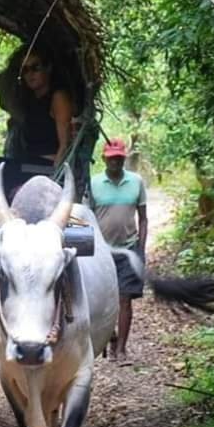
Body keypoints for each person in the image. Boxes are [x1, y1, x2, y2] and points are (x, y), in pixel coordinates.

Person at [89, 138, 148, 363]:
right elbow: (87, 218)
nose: (115, 162)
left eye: (119, 158)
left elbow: (143, 218)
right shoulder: (94, 183)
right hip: (101, 252)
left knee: (125, 299)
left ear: (124, 159)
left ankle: (121, 350)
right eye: (111, 158)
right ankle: (109, 336)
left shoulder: (136, 182)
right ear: (104, 158)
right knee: (102, 300)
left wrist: (140, 249)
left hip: (128, 249)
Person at [0, 44, 73, 165]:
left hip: (46, 166)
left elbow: (65, 144)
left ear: (48, 68)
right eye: (25, 70)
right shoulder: (29, 100)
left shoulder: (57, 97)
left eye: (35, 67)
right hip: (27, 163)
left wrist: (55, 176)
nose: (30, 74)